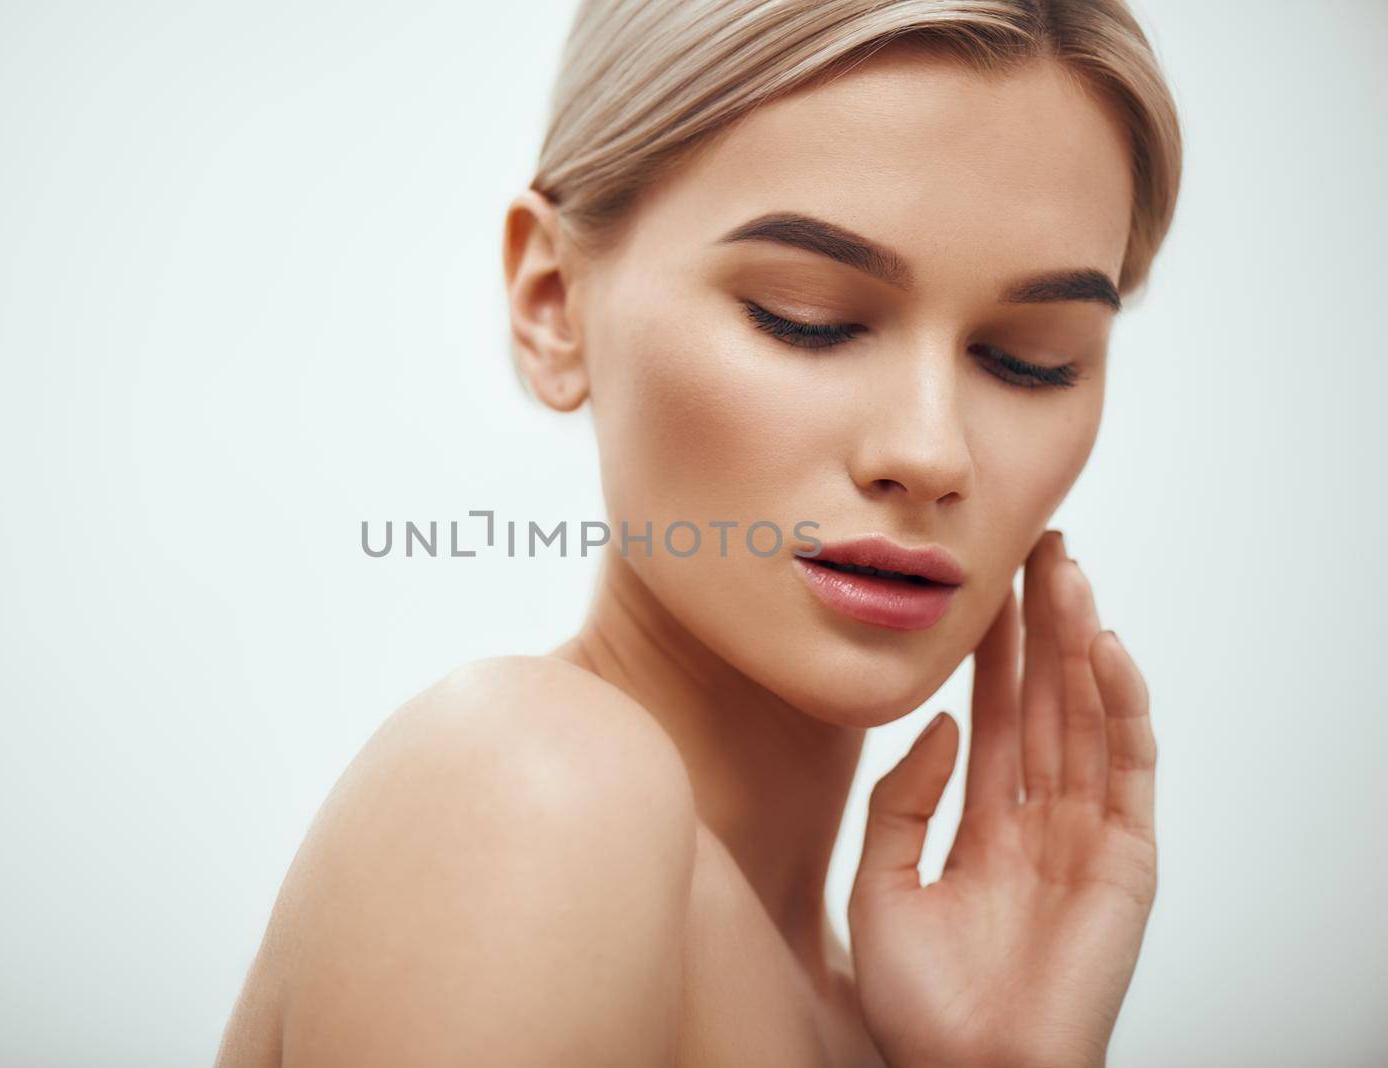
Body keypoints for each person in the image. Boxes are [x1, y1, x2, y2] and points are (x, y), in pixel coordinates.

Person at [216, 1, 1181, 1064]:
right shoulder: (531, 787)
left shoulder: (910, 1019)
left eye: (1028, 359)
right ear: (550, 304)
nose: (931, 451)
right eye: (804, 316)